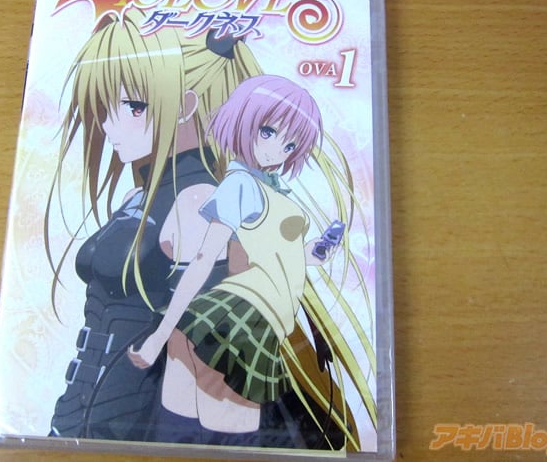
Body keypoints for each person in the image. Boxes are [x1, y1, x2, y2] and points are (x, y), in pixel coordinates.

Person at [46, 9, 263, 440]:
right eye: (104, 107)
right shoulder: (140, 196)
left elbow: (208, 346)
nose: (109, 125)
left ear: (185, 107)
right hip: (83, 416)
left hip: (135, 424)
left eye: (132, 106)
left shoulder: (197, 202)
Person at [128, 75, 374, 450]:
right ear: (243, 120)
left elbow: (278, 257)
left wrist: (314, 252)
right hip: (244, 318)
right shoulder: (239, 185)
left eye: (290, 144)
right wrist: (158, 337)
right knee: (227, 435)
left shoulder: (268, 189)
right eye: (268, 132)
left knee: (184, 431)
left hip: (239, 318)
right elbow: (203, 259)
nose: (277, 151)